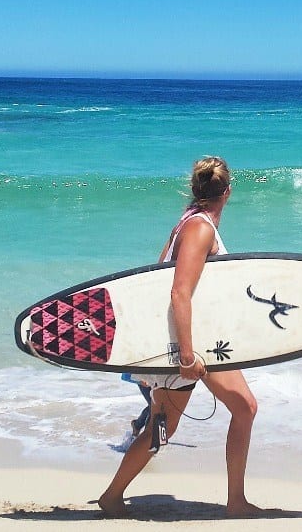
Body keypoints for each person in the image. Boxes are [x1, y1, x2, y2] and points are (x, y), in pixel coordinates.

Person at [98, 156, 263, 518]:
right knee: (237, 410)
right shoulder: (200, 229)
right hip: (189, 346)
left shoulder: (186, 224)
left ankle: (113, 497)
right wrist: (186, 357)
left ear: (195, 188)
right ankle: (235, 502)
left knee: (169, 426)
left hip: (194, 341)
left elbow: (154, 279)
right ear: (228, 192)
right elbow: (178, 293)